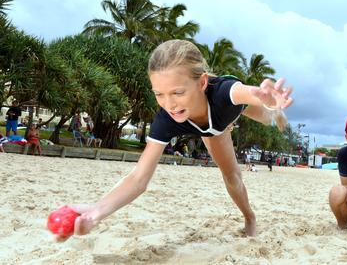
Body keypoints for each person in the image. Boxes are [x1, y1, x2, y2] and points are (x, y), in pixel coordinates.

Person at [54, 39, 293, 242]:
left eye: (177, 92)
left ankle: (276, 115)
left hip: (231, 108)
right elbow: (139, 178)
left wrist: (269, 102)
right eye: (159, 94)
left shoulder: (224, 92)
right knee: (231, 177)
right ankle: (249, 216)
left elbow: (250, 93)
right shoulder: (167, 118)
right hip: (212, 129)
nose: (169, 103)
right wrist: (96, 212)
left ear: (201, 82)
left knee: (264, 115)